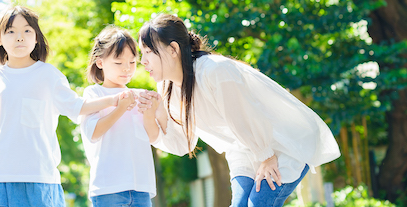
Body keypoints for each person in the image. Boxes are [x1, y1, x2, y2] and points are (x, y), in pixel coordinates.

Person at [136, 13, 340, 207]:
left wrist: (267, 157)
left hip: (280, 141)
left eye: (148, 52)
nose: (143, 61)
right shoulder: (167, 87)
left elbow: (245, 118)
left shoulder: (214, 70)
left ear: (173, 49)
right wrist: (155, 115)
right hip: (245, 149)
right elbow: (183, 144)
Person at [0, 5, 128, 207]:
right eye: (10, 31)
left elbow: (77, 106)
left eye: (27, 30)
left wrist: (112, 100)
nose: (19, 37)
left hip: (40, 178)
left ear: (37, 37)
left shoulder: (48, 75)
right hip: (0, 177)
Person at [79, 26, 159, 207]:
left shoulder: (140, 95)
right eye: (118, 62)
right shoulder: (94, 93)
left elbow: (153, 137)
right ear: (100, 63)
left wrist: (150, 112)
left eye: (132, 62)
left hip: (141, 187)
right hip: (109, 188)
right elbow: (93, 133)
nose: (127, 69)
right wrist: (120, 108)